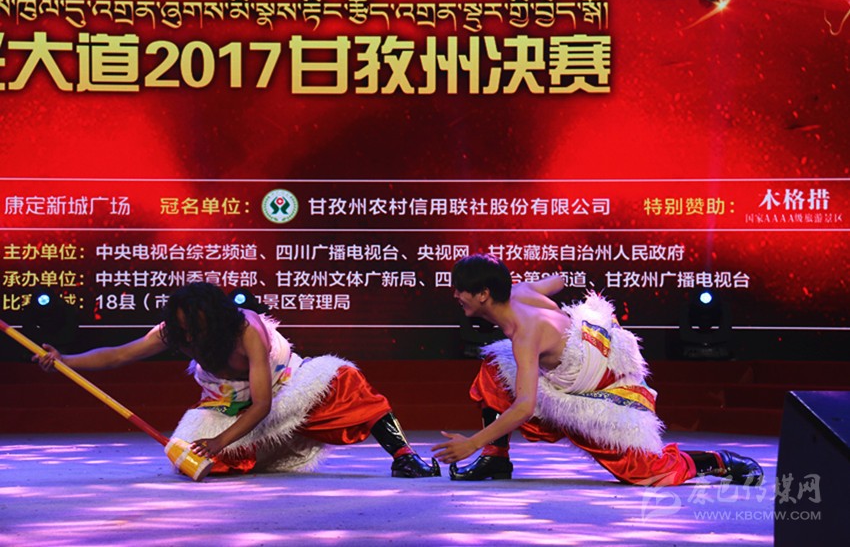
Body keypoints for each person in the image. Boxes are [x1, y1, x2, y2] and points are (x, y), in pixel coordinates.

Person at [33, 282, 440, 478]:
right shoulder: (176, 331)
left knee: (344, 378)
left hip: (283, 393)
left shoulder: (248, 331)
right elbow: (119, 354)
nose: (189, 337)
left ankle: (404, 456)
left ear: (217, 321)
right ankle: (257, 456)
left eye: (196, 329)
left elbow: (263, 404)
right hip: (226, 406)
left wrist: (219, 442)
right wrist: (65, 359)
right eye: (183, 330)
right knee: (183, 453)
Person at [432, 254, 763, 486]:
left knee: (645, 471)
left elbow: (524, 407)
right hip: (578, 364)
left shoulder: (525, 335)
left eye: (460, 289)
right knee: (494, 365)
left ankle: (719, 462)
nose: (455, 295)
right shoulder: (521, 291)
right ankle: (496, 458)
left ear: (484, 294)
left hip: (603, 391)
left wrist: (471, 442)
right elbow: (559, 280)